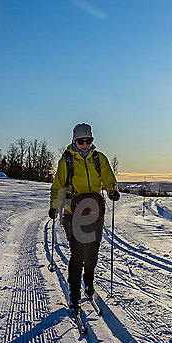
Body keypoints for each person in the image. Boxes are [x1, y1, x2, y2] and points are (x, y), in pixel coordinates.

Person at [49, 122, 120, 308]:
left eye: (89, 140)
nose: (85, 144)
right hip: (73, 213)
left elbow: (109, 179)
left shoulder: (99, 159)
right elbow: (58, 186)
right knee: (78, 253)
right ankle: (74, 293)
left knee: (93, 254)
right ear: (74, 140)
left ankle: (88, 283)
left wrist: (112, 190)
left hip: (95, 212)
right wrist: (54, 206)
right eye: (81, 141)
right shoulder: (67, 161)